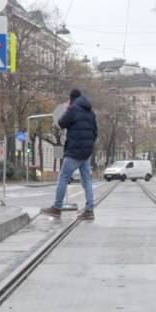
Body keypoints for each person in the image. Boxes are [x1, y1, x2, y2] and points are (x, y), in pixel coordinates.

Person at [45, 89, 98, 220]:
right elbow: (95, 132)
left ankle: (57, 207)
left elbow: (62, 123)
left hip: (74, 151)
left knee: (63, 178)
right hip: (86, 152)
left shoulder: (73, 109)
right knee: (87, 181)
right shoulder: (91, 113)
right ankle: (89, 210)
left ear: (71, 98)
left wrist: (68, 108)